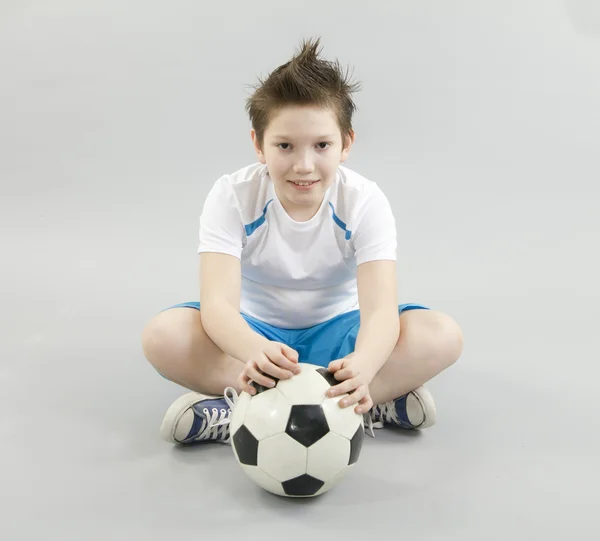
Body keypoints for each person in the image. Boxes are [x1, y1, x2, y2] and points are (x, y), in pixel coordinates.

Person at [141, 36, 463, 446]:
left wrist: (364, 364)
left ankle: (312, 400)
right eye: (285, 146)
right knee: (163, 335)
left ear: (346, 143)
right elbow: (218, 304)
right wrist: (254, 348)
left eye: (322, 145)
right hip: (253, 333)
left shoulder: (364, 201)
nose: (304, 165)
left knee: (441, 333)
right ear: (259, 144)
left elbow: (381, 310)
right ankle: (335, 402)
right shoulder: (232, 195)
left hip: (339, 332)